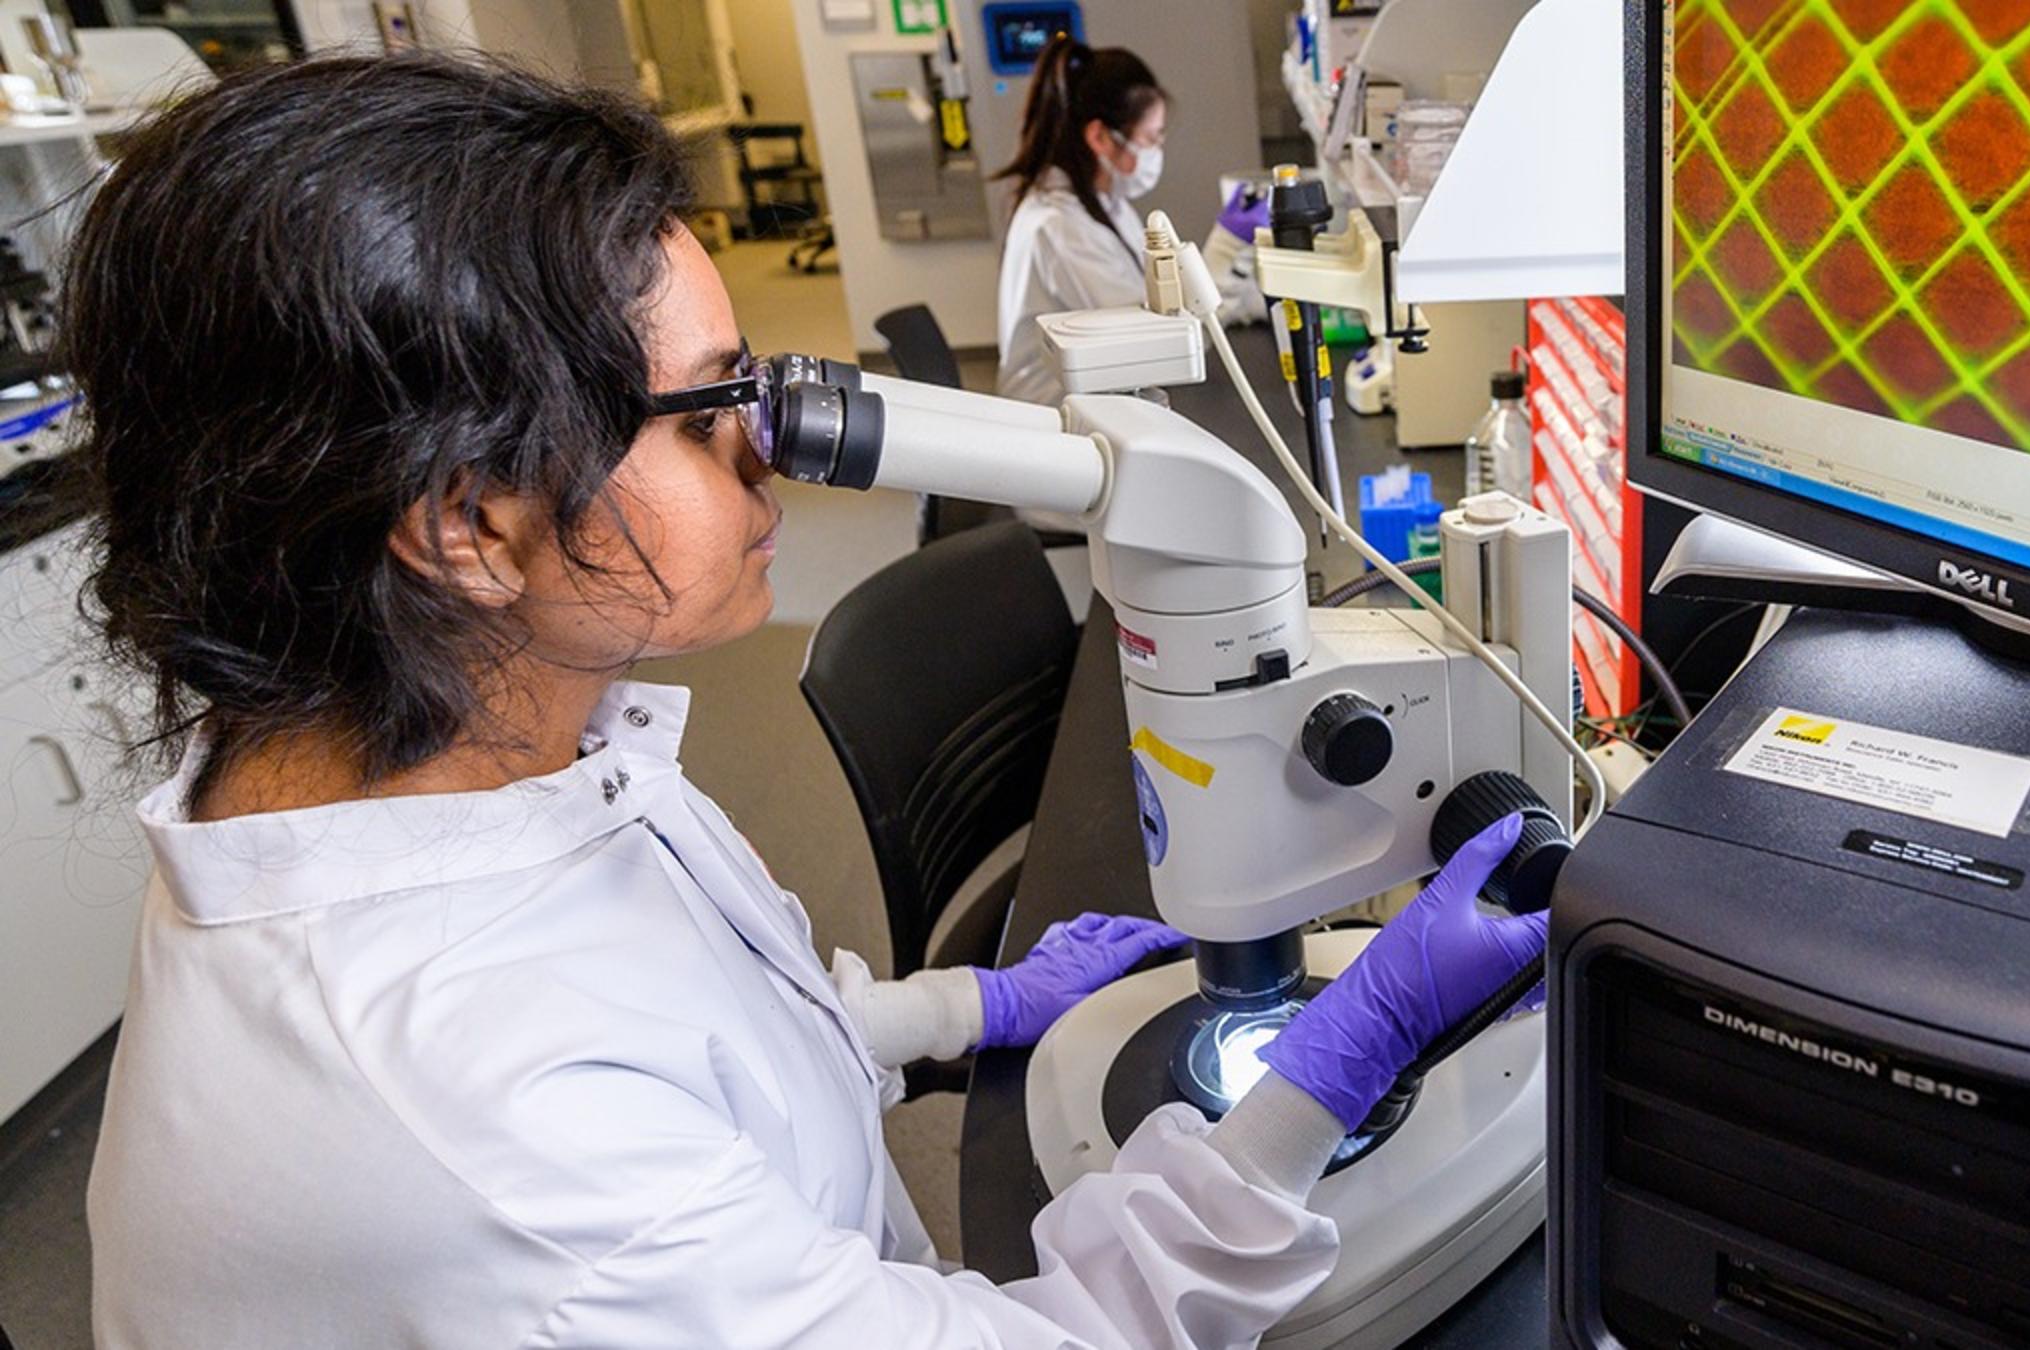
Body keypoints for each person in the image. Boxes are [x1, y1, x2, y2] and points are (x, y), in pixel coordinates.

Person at [73, 55, 1548, 1349]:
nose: (764, 455)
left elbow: (696, 1040)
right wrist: (1311, 1091)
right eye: (706, 409)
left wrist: (949, 1005)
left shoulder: (433, 742)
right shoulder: (498, 1148)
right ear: (470, 524)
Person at [991, 37, 1165, 407]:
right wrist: (1224, 255)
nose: (1156, 152)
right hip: (1051, 426)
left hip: (1091, 400)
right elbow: (1149, 341)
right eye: (1150, 138)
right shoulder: (1060, 225)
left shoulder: (1104, 202)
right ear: (1100, 136)